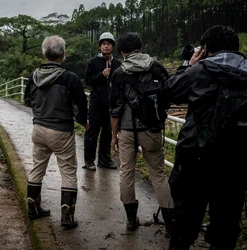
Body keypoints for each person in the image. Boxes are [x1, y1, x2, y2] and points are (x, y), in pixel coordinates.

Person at [164, 25, 247, 250]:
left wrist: (188, 66)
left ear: (206, 49)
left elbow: (170, 91)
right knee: (226, 224)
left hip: (197, 160)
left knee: (185, 222)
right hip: (238, 161)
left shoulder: (201, 70)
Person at [109, 32, 175, 232]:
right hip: (152, 129)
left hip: (127, 130)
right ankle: (171, 225)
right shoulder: (157, 68)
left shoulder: (119, 73)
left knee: (126, 172)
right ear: (140, 47)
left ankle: (131, 220)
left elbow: (115, 108)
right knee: (158, 174)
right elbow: (168, 96)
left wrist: (114, 136)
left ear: (121, 52)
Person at [24, 35, 89, 228]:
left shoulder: (34, 76)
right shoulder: (70, 78)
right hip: (61, 131)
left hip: (38, 129)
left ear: (43, 54)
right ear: (63, 54)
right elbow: (80, 106)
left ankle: (33, 208)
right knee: (68, 172)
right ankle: (67, 217)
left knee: (37, 168)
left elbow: (27, 100)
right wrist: (84, 123)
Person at [83, 32, 121, 170]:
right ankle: (89, 160)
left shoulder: (116, 63)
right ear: (100, 47)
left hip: (111, 104)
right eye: (103, 44)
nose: (106, 47)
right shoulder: (93, 62)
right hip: (96, 102)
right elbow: (88, 80)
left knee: (108, 131)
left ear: (113, 47)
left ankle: (104, 160)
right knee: (92, 131)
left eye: (109, 44)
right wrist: (101, 75)